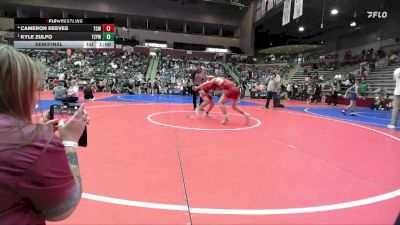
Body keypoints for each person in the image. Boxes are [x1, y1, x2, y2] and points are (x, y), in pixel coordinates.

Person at [0, 45, 89, 223]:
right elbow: (63, 208)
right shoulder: (32, 143)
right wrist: (70, 142)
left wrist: (38, 128)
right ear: (20, 92)